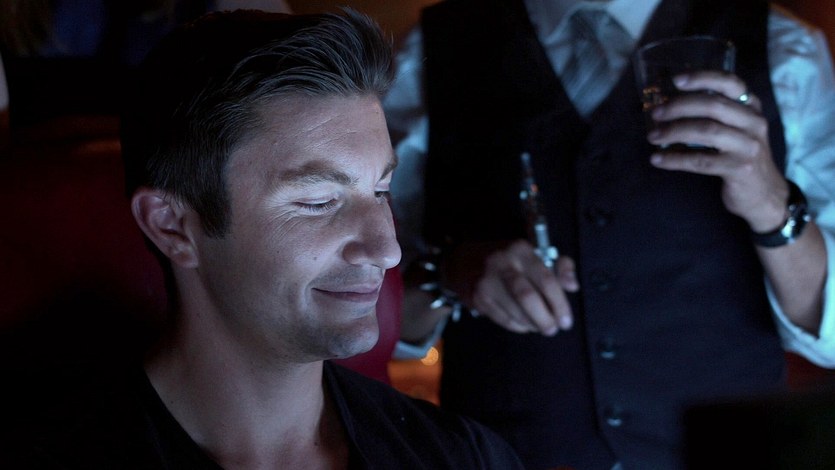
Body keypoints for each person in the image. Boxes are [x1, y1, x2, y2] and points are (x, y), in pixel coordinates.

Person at [1, 9, 525, 469]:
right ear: (172, 225)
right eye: (317, 201)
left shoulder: (466, 456)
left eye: (380, 191)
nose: (386, 251)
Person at [384, 0, 835, 468]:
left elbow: (832, 330)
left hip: (729, 450)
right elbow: (377, 324)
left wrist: (771, 204)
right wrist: (451, 274)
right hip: (506, 454)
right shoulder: (429, 51)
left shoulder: (787, 48)